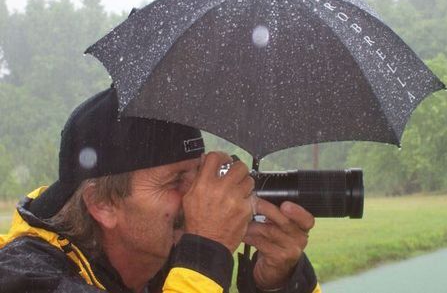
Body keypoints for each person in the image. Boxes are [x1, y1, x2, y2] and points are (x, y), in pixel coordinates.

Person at [0, 87, 321, 293]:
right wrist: (203, 254)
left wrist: (280, 284)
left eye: (199, 176)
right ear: (103, 203)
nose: (198, 196)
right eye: (175, 181)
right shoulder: (26, 279)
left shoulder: (159, 268)